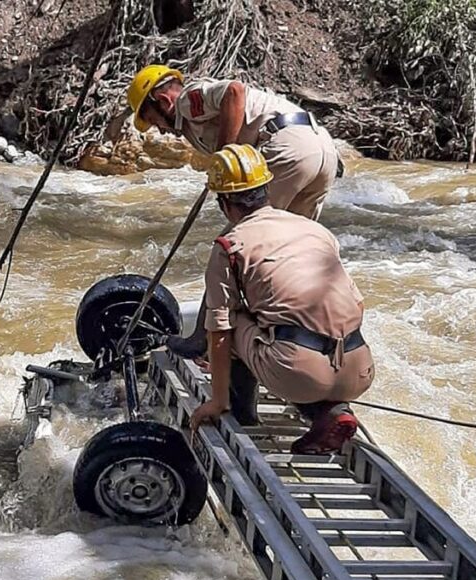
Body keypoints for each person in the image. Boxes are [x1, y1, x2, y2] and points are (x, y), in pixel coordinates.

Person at [125, 65, 342, 357]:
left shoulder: (188, 100)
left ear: (163, 102)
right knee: (294, 252)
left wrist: (224, 155)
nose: (160, 130)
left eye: (152, 120)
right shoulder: (190, 121)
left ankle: (204, 339)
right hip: (321, 150)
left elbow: (233, 91)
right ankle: (307, 339)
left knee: (235, 248)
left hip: (287, 149)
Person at [187, 144, 373, 454]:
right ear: (266, 190)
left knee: (235, 320)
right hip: (359, 369)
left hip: (298, 373)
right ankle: (331, 411)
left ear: (224, 204)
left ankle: (243, 416)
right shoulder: (315, 230)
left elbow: (219, 332)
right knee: (299, 328)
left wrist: (216, 401)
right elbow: (358, 305)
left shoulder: (229, 246)